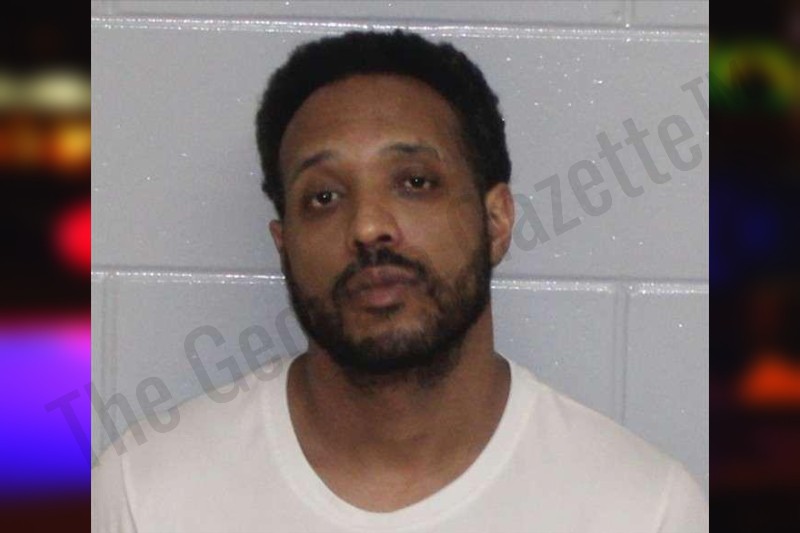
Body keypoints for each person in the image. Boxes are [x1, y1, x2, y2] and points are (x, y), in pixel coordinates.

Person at [92, 30, 708, 532]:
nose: (368, 227)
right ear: (284, 245)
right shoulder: (148, 495)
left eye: (415, 182)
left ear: (496, 221)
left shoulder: (642, 509)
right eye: (323, 196)